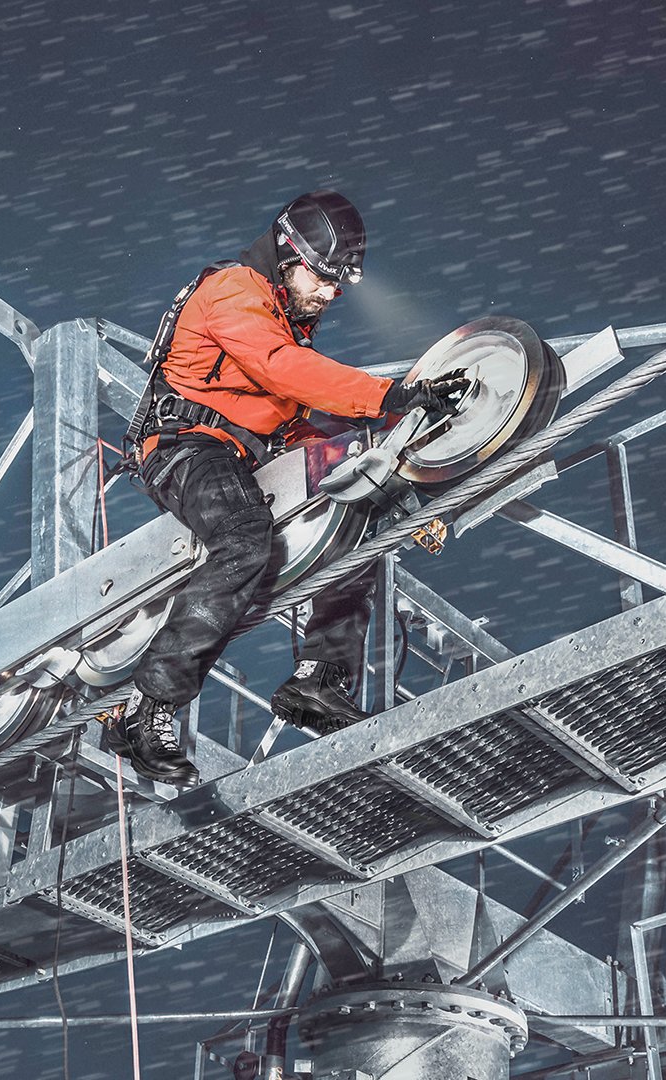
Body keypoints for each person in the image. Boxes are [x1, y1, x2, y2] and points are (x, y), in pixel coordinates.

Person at [105, 190, 469, 786]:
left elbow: (298, 420)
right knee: (244, 541)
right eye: (323, 278)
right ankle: (150, 707)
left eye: (338, 284)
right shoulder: (234, 291)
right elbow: (281, 368)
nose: (331, 293)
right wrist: (387, 395)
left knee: (348, 514)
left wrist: (393, 484)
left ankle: (319, 679)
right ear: (287, 253)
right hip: (184, 449)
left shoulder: (282, 320)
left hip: (243, 456)